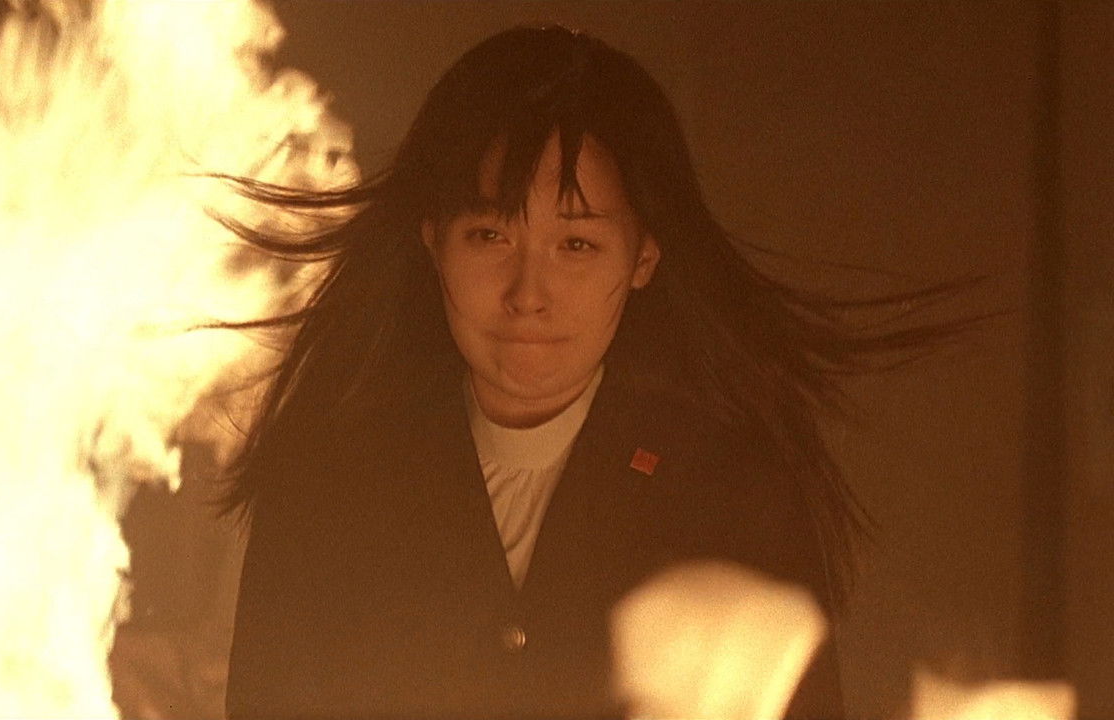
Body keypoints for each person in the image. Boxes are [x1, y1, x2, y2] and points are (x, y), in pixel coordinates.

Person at [220, 24, 948, 720]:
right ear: (434, 242)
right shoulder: (330, 483)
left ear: (643, 257)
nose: (528, 294)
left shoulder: (733, 495)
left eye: (576, 245)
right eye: (489, 235)